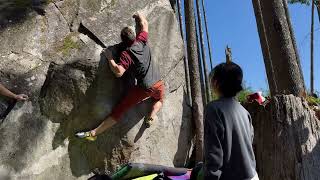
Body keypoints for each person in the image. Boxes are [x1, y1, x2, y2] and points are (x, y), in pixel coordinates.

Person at [76, 13, 164, 141]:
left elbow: (119, 72)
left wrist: (110, 58)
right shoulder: (142, 41)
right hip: (158, 83)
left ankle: (93, 134)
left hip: (145, 88)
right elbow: (145, 24)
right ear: (134, 36)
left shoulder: (126, 54)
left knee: (120, 109)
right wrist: (138, 15)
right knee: (160, 100)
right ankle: (151, 116)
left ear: (123, 41)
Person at [203, 62, 258, 180]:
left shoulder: (213, 109)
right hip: (252, 175)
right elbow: (250, 141)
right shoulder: (244, 112)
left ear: (216, 82)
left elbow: (213, 151)